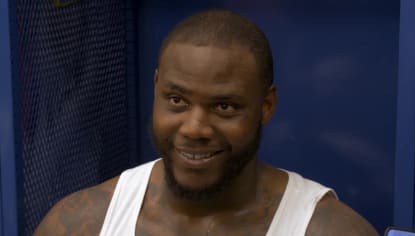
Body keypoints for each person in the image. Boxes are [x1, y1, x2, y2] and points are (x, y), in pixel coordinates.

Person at [34, 9, 379, 236]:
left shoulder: (326, 230)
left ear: (266, 106)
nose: (195, 128)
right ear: (156, 89)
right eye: (177, 101)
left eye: (224, 106)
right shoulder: (83, 224)